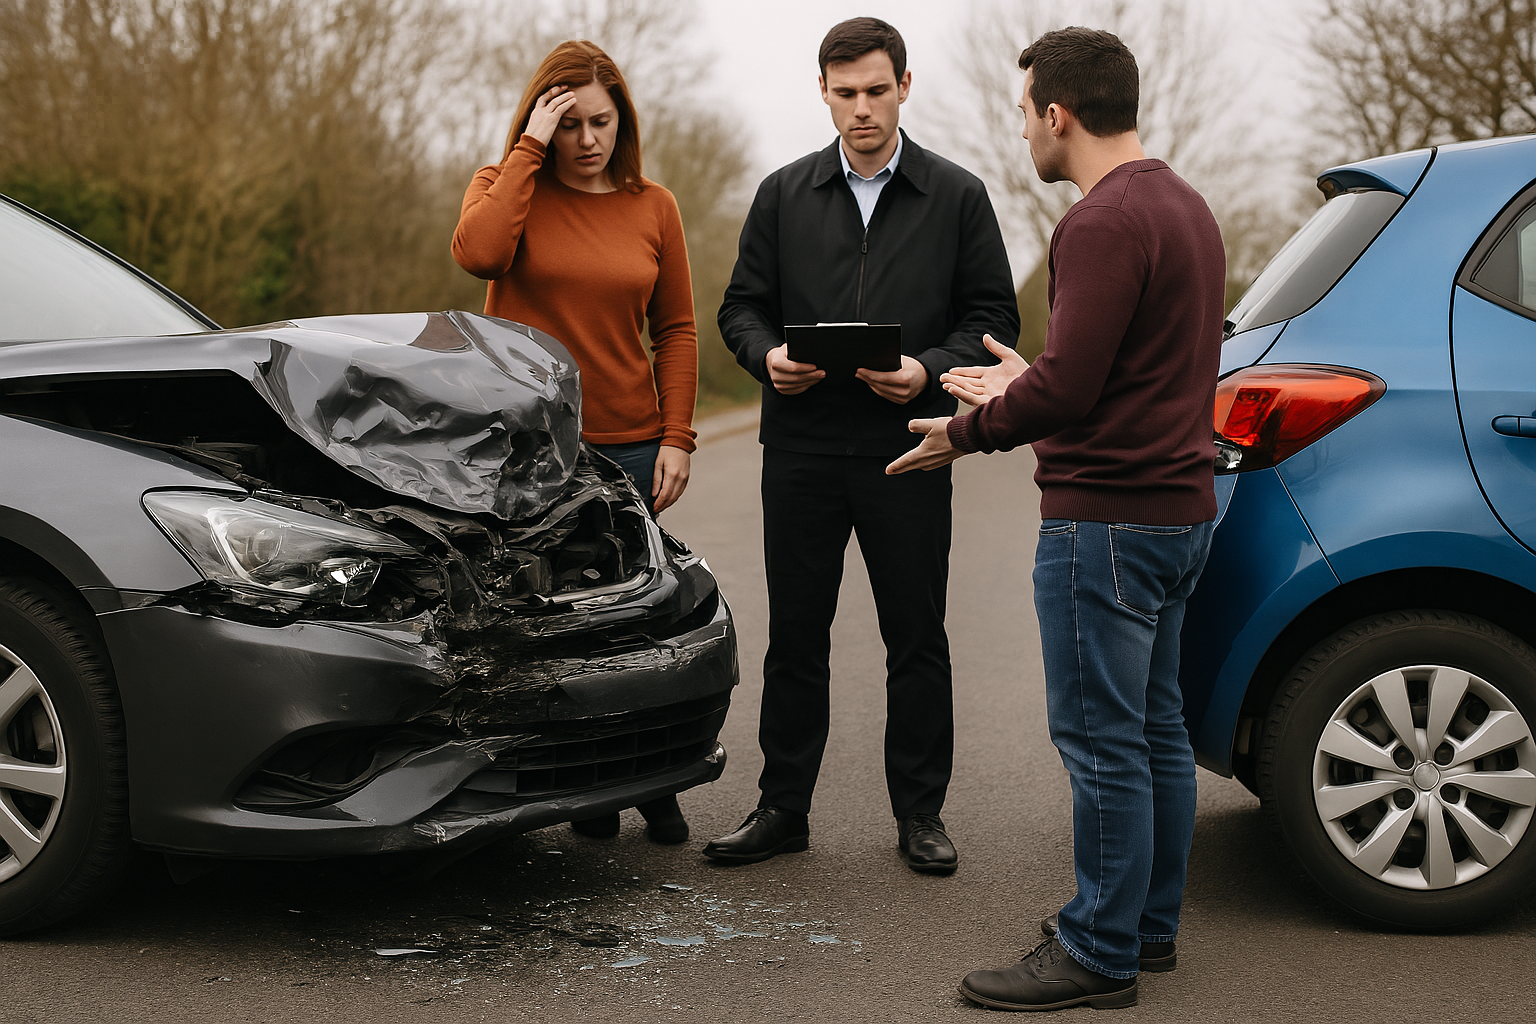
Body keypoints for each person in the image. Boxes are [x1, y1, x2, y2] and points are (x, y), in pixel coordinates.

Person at [888, 27, 1225, 1011]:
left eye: (1024, 111)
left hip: (1105, 525)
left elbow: (1073, 390)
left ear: (1058, 113)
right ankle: (1146, 929)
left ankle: (1098, 952)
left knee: (1102, 742)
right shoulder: (1186, 207)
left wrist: (969, 430)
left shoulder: (1100, 221)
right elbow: (1127, 375)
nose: (1023, 130)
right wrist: (1029, 380)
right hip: (1177, 515)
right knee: (1155, 730)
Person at [708, 17, 1019, 875]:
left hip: (908, 448)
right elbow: (741, 307)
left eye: (877, 91)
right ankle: (783, 809)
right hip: (800, 451)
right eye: (845, 93)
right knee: (795, 638)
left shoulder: (957, 195)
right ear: (823, 92)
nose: (862, 109)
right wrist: (766, 357)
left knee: (915, 636)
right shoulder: (782, 194)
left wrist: (928, 370)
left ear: (905, 87)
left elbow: (991, 317)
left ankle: (921, 815)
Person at [451, 39, 697, 845]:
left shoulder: (653, 206)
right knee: (550, 623)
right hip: (530, 452)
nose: (587, 139)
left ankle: (655, 780)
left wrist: (677, 436)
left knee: (641, 623)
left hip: (631, 448)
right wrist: (527, 149)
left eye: (601, 121)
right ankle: (582, 786)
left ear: (622, 119)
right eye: (568, 123)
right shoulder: (504, 186)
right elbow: (480, 254)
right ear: (542, 123)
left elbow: (676, 328)